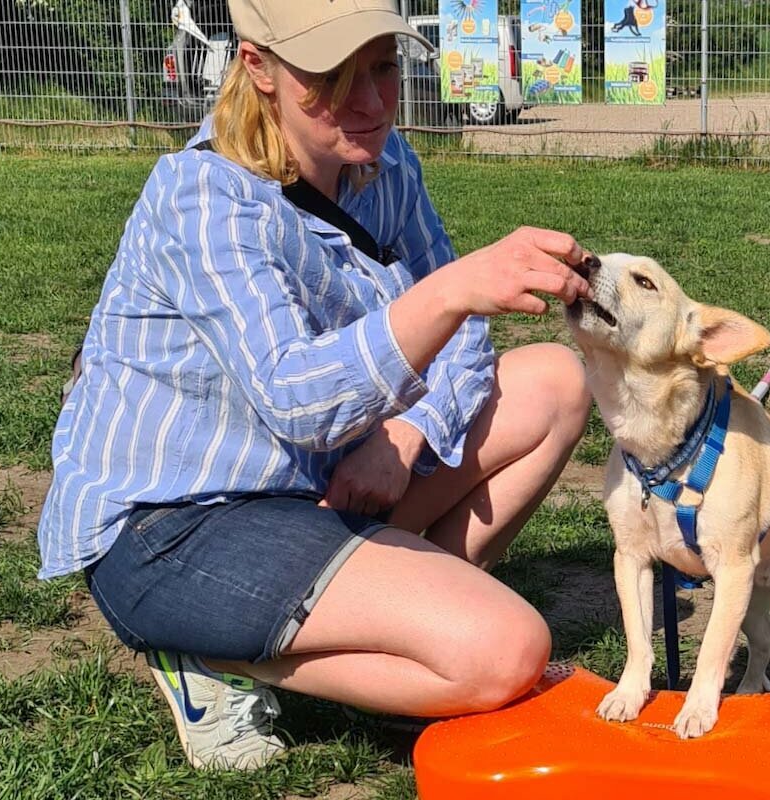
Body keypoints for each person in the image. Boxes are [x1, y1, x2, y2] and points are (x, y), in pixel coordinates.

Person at [36, 0, 593, 771]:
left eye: (383, 68)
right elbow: (297, 399)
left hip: (320, 481)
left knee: (557, 380)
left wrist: (410, 434)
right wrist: (447, 291)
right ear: (257, 66)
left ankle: (402, 638)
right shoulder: (204, 199)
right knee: (509, 651)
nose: (368, 102)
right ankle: (207, 652)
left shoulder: (385, 164)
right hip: (181, 526)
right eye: (331, 77)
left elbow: (465, 342)